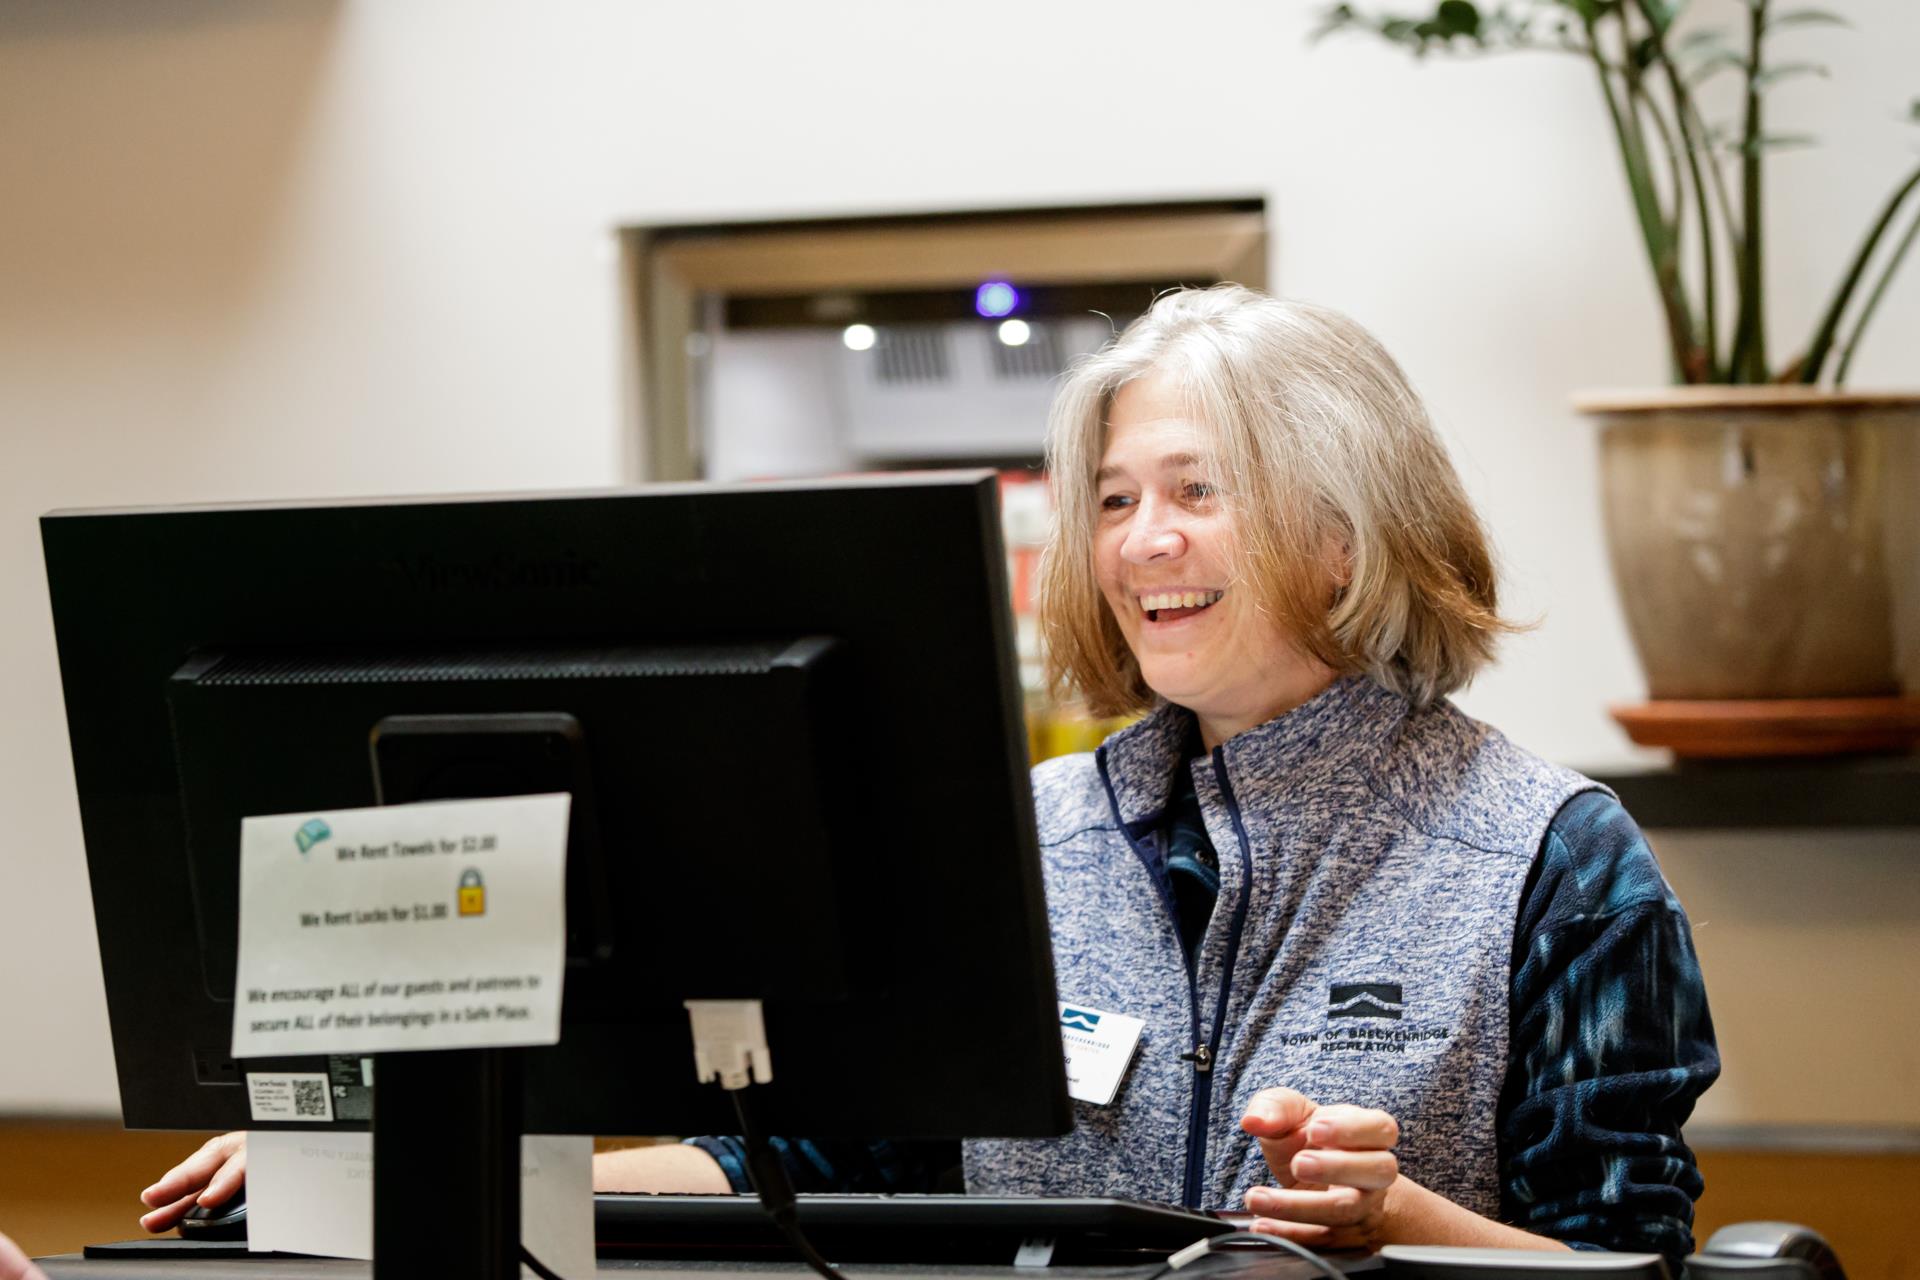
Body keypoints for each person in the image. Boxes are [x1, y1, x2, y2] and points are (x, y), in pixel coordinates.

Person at [144, 286, 1718, 1258]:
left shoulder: (1552, 857)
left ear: (1347, 528)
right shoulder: (1019, 837)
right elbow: (817, 1156)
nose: (1141, 544)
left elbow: (1633, 1263)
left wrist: (1407, 1223)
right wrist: (380, 1166)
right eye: (1111, 499)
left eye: (1198, 491)